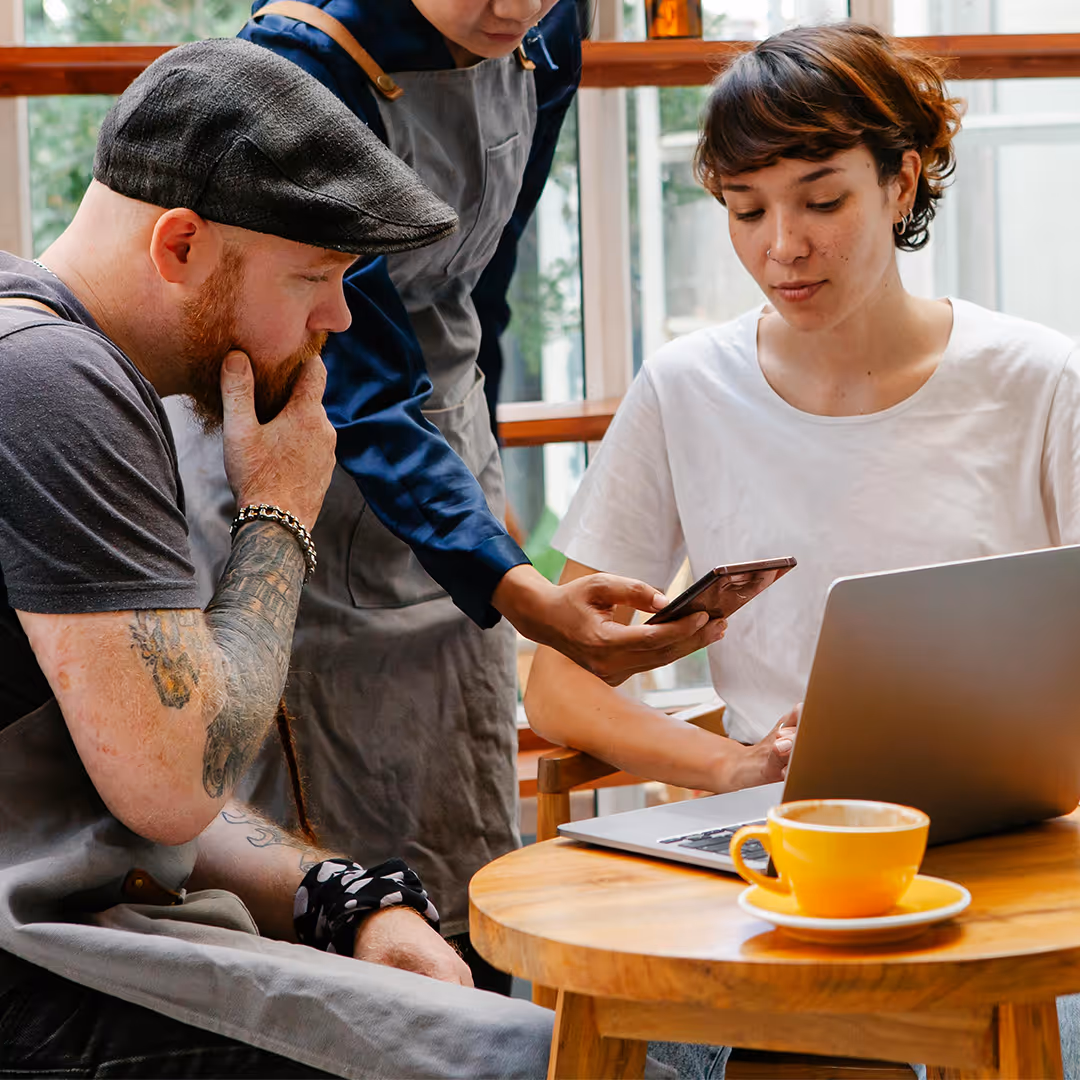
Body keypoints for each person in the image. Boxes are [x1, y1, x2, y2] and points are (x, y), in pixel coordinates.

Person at [0, 38, 725, 1078]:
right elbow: (170, 786)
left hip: (86, 931)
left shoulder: (45, 351)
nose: (338, 318)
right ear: (179, 246)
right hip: (37, 978)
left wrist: (335, 895)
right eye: (316, 277)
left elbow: (123, 769)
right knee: (612, 1062)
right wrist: (279, 513)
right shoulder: (51, 386)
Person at [167, 0, 723, 978]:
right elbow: (366, 374)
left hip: (448, 440)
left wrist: (487, 497)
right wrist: (520, 589)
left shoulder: (547, 33)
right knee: (325, 814)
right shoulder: (301, 62)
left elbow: (488, 281)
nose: (514, 7)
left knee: (456, 792)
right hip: (312, 433)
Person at [525, 21, 1080, 798]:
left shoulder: (1040, 378)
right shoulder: (687, 386)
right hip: (781, 829)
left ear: (902, 182)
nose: (782, 246)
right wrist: (736, 767)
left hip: (1012, 815)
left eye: (822, 200)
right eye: (747, 211)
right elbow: (558, 683)